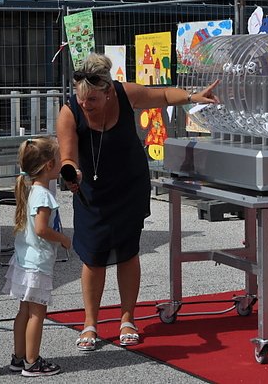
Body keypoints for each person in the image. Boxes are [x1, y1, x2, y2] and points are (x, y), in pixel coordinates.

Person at [56, 53, 218, 350]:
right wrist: (71, 172)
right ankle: (90, 322)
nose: (85, 104)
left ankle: (127, 318)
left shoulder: (124, 92)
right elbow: (67, 155)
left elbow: (164, 95)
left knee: (128, 251)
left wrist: (194, 95)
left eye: (91, 100)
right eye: (81, 99)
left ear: (107, 92)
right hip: (91, 190)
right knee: (93, 256)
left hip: (130, 186)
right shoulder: (70, 112)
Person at [3, 137, 71, 377]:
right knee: (36, 314)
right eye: (60, 157)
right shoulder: (44, 196)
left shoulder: (30, 190)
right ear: (49, 165)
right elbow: (42, 228)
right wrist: (62, 238)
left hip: (24, 260)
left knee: (24, 311)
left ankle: (19, 356)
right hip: (37, 264)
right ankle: (32, 362)